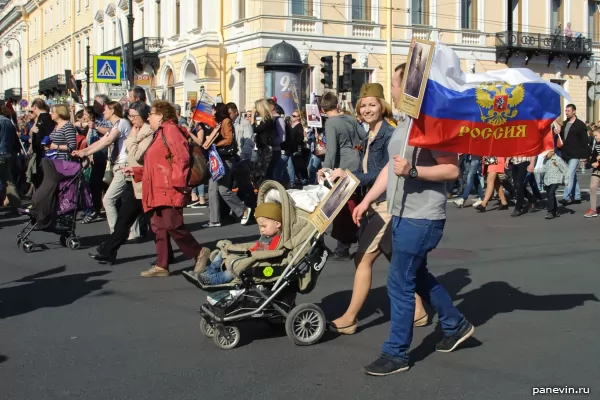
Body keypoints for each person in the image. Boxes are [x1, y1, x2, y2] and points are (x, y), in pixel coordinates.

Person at [354, 63, 474, 376]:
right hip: (401, 211)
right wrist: (366, 199)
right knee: (417, 275)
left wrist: (414, 171)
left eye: (395, 85)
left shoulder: (433, 123)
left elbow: (451, 170)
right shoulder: (407, 122)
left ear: (411, 89)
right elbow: (389, 169)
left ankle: (396, 353)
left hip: (422, 216)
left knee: (399, 282)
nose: (392, 91)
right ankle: (455, 325)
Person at [327, 82, 429, 334]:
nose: (367, 109)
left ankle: (350, 318)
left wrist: (349, 176)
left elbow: (383, 173)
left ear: (382, 106)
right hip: (374, 204)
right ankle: (419, 309)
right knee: (396, 260)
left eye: (372, 104)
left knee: (362, 259)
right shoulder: (368, 133)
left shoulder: (389, 133)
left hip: (386, 204)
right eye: (363, 105)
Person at [123, 100, 210, 277]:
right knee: (158, 227)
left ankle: (199, 253)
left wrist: (177, 183)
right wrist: (137, 171)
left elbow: (182, 157)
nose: (148, 117)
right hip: (156, 188)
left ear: (161, 115)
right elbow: (157, 162)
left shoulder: (170, 130)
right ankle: (162, 265)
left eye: (151, 114)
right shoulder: (159, 133)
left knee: (173, 225)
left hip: (168, 188)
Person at [89, 102, 155, 264]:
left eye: (134, 116)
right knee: (124, 219)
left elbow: (137, 154)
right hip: (133, 180)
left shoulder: (149, 132)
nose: (132, 119)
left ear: (143, 116)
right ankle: (108, 251)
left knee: (157, 225)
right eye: (130, 116)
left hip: (145, 183)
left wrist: (132, 138)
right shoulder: (136, 129)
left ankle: (172, 254)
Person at [73, 102, 134, 236]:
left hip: (123, 165)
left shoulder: (122, 123)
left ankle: (116, 233)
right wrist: (83, 151)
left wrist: (86, 152)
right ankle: (134, 231)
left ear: (113, 110)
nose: (103, 112)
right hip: (117, 165)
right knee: (128, 201)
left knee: (108, 200)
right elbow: (100, 141)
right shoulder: (115, 125)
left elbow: (107, 141)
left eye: (105, 109)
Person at [320, 91, 366, 259]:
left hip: (343, 165)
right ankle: (355, 240)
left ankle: (344, 245)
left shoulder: (331, 123)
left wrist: (326, 168)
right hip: (357, 162)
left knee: (342, 207)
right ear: (337, 105)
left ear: (323, 109)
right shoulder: (350, 119)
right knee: (354, 202)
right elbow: (364, 138)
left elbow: (331, 150)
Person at [195, 202, 282, 286]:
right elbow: (256, 247)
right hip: (250, 256)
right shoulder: (265, 236)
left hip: (256, 262)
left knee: (232, 271)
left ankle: (212, 280)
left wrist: (249, 253)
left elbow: (270, 253)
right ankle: (209, 272)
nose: (262, 230)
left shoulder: (276, 239)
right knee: (221, 252)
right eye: (260, 226)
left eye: (264, 226)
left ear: (277, 224)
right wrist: (246, 250)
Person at [202, 103, 251, 228]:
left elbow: (229, 140)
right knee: (212, 189)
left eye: (213, 110)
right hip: (217, 160)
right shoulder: (219, 123)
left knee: (223, 189)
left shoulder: (226, 121)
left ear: (218, 111)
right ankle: (214, 219)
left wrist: (215, 144)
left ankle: (243, 210)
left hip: (224, 160)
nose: (211, 112)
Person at [556, 104, 589, 206]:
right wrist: (557, 131)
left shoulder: (580, 125)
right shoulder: (565, 124)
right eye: (566, 111)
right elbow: (561, 137)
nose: (566, 112)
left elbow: (585, 141)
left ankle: (566, 197)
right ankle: (577, 196)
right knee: (572, 175)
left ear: (574, 111)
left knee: (569, 175)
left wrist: (585, 156)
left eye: (568, 111)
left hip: (576, 154)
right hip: (566, 153)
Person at [0, 107, 21, 211]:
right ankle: (17, 208)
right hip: (7, 154)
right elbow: (13, 139)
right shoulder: (8, 121)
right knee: (9, 182)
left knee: (8, 181)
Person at [542, 150, 569, 220]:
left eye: (547, 153)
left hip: (555, 180)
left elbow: (565, 170)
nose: (545, 155)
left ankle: (550, 211)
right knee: (550, 195)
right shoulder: (545, 160)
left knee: (551, 194)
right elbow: (543, 169)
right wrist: (534, 170)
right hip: (547, 180)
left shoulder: (558, 159)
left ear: (552, 152)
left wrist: (566, 180)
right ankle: (555, 210)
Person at [584, 127, 600, 218]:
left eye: (597, 135)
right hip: (597, 169)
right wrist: (593, 162)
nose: (595, 137)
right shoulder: (596, 144)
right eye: (594, 136)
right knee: (593, 187)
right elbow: (593, 156)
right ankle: (593, 209)